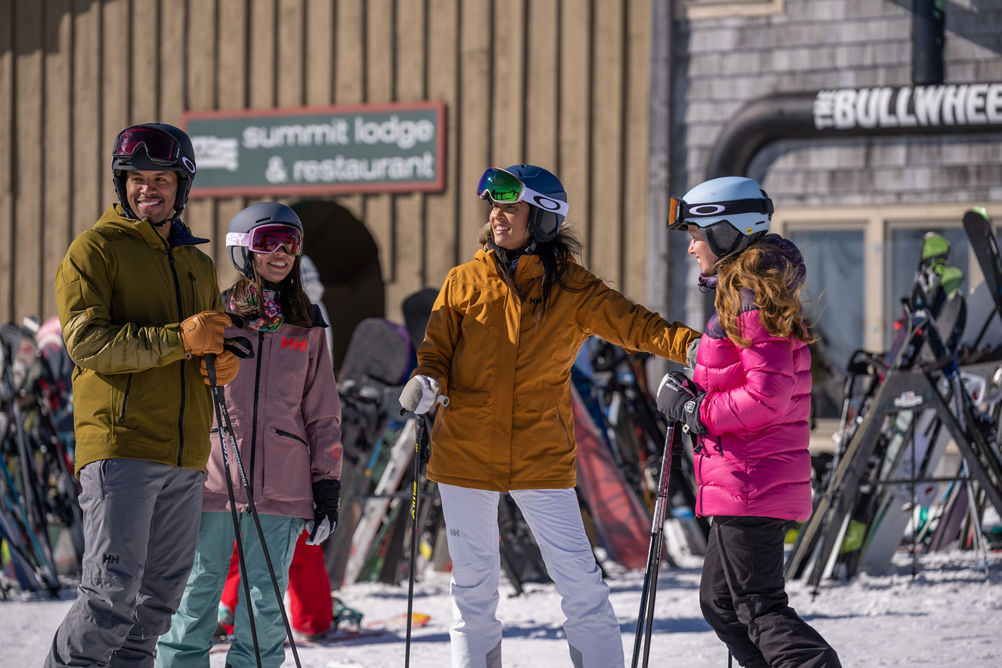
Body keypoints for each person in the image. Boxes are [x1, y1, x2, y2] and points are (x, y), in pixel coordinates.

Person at [399, 164, 701, 668]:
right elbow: (436, 353)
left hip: (539, 454)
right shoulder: (463, 281)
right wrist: (427, 381)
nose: (497, 215)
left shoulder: (574, 289)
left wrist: (695, 347)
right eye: (494, 206)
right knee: (471, 590)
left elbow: (638, 326)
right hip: (465, 454)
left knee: (580, 583)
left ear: (541, 217)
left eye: (510, 207)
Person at [46, 123, 235, 667]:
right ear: (120, 182)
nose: (147, 189)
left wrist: (216, 364)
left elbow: (202, 346)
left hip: (184, 453)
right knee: (109, 599)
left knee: (156, 609)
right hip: (121, 445)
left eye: (161, 179)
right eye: (136, 179)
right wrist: (179, 339)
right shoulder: (95, 250)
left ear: (182, 186)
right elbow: (86, 342)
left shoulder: (196, 263)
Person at [656, 176, 842, 667]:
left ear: (726, 231)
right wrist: (693, 388)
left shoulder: (749, 297)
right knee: (721, 604)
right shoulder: (743, 294)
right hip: (743, 475)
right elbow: (748, 377)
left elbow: (768, 394)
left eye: (697, 232)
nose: (692, 245)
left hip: (752, 479)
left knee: (758, 606)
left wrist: (697, 412)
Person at [155, 202, 343, 668]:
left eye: (290, 244)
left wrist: (327, 485)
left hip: (283, 483)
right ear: (243, 250)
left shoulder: (308, 324)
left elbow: (322, 413)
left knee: (264, 602)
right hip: (212, 478)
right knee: (197, 590)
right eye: (267, 243)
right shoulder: (215, 315)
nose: (280, 253)